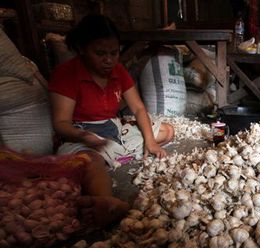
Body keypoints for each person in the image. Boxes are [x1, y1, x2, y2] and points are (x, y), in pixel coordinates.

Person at [48, 14, 175, 226]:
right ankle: (105, 202)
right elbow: (61, 123)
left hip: (113, 129)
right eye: (100, 53)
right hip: (81, 133)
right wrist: (84, 136)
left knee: (167, 132)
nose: (108, 60)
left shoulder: (118, 71)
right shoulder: (67, 74)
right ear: (82, 49)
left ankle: (120, 155)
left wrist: (151, 142)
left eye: (113, 53)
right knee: (91, 162)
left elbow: (138, 108)